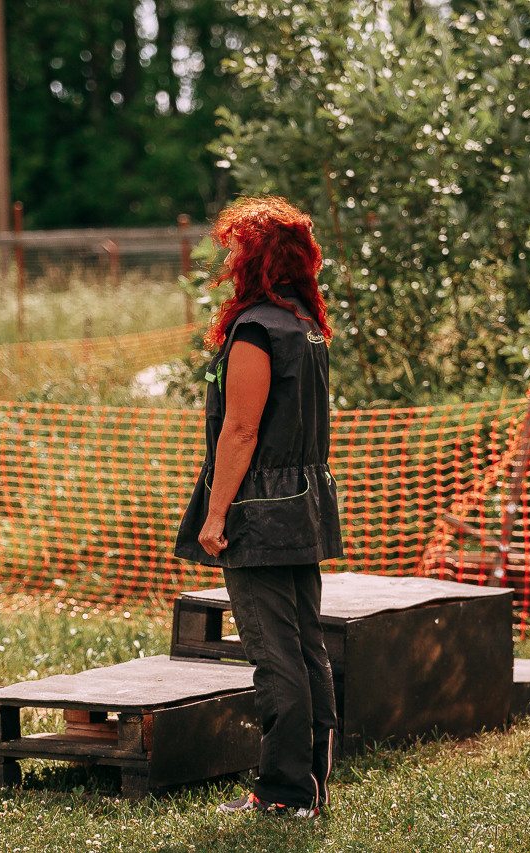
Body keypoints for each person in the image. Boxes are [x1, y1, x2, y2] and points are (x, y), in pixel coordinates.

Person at [174, 196, 343, 818]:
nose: (229, 258)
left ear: (259, 259)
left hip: (260, 510)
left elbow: (240, 432)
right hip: (303, 504)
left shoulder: (257, 329)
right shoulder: (305, 325)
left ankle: (283, 793)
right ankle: (313, 784)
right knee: (306, 649)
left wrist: (215, 517)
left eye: (237, 247)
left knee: (276, 656)